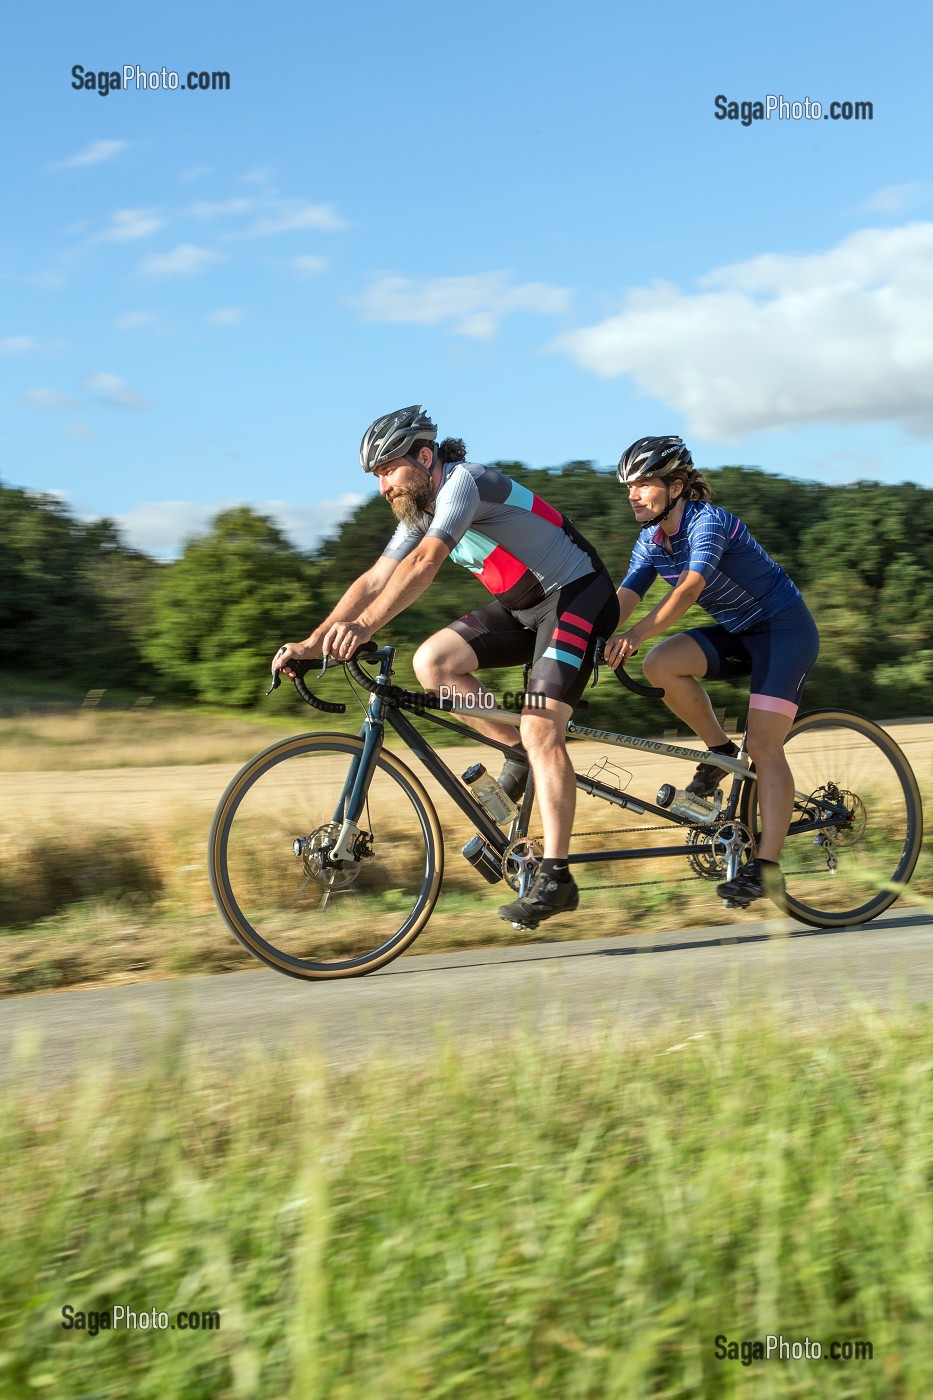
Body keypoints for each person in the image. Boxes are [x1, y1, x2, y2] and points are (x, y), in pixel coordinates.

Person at [272, 405, 620, 928]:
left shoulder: (465, 482)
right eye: (377, 477)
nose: (383, 485)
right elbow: (374, 579)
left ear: (425, 456)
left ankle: (557, 876)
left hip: (578, 595)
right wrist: (313, 641)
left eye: (388, 469)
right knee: (432, 662)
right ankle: (515, 754)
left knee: (542, 726)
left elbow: (424, 563)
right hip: (525, 608)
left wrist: (364, 628)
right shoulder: (420, 511)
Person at [603, 435, 820, 908]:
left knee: (764, 747)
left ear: (676, 485)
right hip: (740, 631)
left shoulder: (709, 523)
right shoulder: (651, 541)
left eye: (643, 484)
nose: (633, 494)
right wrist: (579, 639)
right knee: (663, 664)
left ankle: (766, 869)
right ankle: (720, 751)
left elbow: (686, 591)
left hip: (784, 631)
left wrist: (634, 637)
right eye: (628, 486)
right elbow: (626, 598)